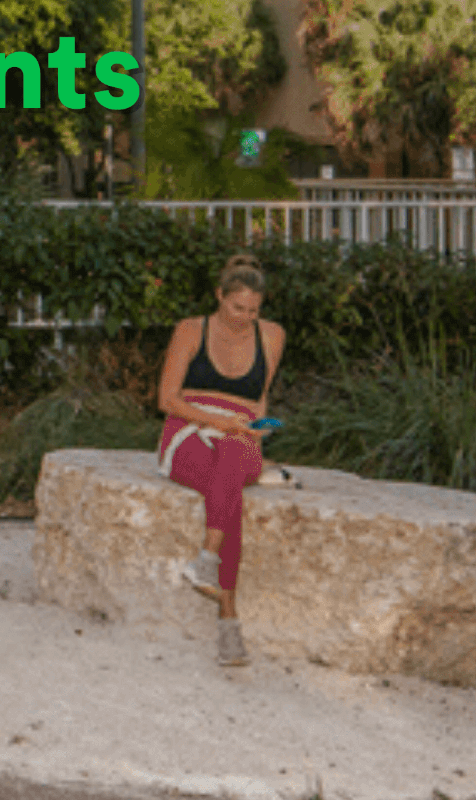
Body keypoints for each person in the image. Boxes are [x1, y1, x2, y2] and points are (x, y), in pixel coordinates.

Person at [158, 253, 287, 667]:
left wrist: (257, 427)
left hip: (239, 436)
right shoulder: (191, 330)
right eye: (236, 307)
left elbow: (259, 400)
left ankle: (207, 559)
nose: (243, 317)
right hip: (188, 430)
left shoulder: (271, 336)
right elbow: (166, 400)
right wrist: (219, 421)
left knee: (232, 458)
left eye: (253, 310)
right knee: (227, 488)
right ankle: (228, 620)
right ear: (219, 296)